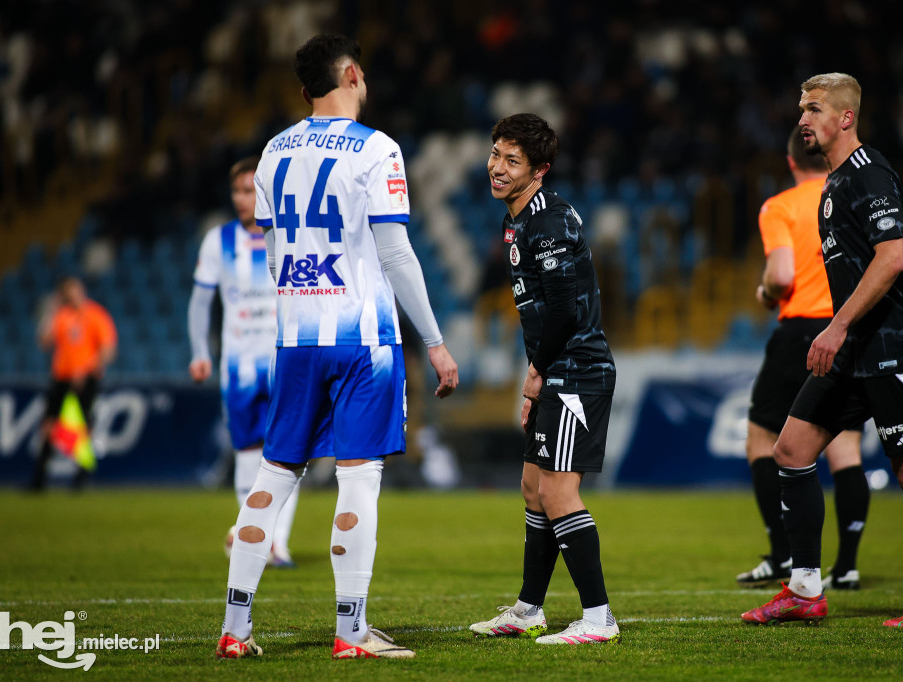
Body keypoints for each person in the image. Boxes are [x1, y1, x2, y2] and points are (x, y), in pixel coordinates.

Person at [215, 34, 458, 660]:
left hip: (294, 338)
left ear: (304, 91)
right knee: (358, 480)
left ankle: (234, 630)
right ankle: (351, 631)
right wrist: (433, 341)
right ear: (351, 75)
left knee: (273, 474)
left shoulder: (271, 152)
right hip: (363, 339)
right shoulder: (377, 149)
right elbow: (395, 251)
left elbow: (272, 255)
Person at [742, 73, 903, 628]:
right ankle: (804, 589)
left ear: (845, 117)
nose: (802, 119)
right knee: (791, 449)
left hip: (894, 352)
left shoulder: (870, 175)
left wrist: (836, 328)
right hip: (853, 351)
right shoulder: (834, 185)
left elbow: (894, 258)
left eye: (813, 109)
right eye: (801, 109)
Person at [469, 113, 619, 646]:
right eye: (495, 155)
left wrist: (535, 375)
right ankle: (529, 609)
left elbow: (562, 312)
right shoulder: (519, 219)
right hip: (559, 370)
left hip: (576, 371)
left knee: (558, 491)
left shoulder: (549, 220)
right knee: (534, 486)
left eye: (512, 161)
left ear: (539, 171)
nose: (497, 168)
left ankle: (598, 619)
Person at [189, 157, 298, 568]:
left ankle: (278, 543)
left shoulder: (288, 236)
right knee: (247, 452)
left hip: (283, 360)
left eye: (250, 190)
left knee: (287, 451)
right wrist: (200, 351)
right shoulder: (218, 241)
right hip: (237, 366)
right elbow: (200, 302)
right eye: (237, 190)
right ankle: (255, 535)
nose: (242, 198)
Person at [31, 276, 117, 490]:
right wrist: (50, 311)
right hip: (61, 377)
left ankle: (81, 477)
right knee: (49, 425)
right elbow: (43, 342)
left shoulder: (95, 315)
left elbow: (108, 349)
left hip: (85, 378)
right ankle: (40, 477)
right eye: (69, 292)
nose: (73, 295)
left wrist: (87, 369)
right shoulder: (61, 315)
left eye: (75, 290)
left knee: (84, 426)